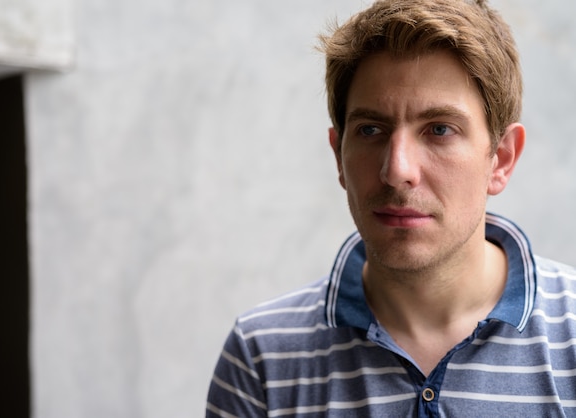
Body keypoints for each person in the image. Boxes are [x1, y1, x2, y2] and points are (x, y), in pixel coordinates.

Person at [206, 0, 576, 416]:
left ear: (502, 159)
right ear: (338, 156)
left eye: (439, 129)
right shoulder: (262, 357)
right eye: (370, 129)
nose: (397, 169)